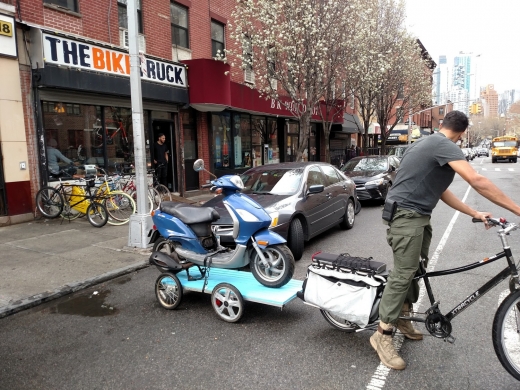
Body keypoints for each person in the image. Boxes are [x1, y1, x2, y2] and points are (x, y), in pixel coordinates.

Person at [371, 111, 520, 371]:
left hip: (415, 217)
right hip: (407, 217)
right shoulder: (443, 145)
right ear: (461, 134)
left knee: (415, 271)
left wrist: (474, 212)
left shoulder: (427, 143)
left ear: (442, 125)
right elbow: (477, 180)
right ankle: (382, 334)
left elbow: (441, 191)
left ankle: (403, 318)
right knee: (404, 273)